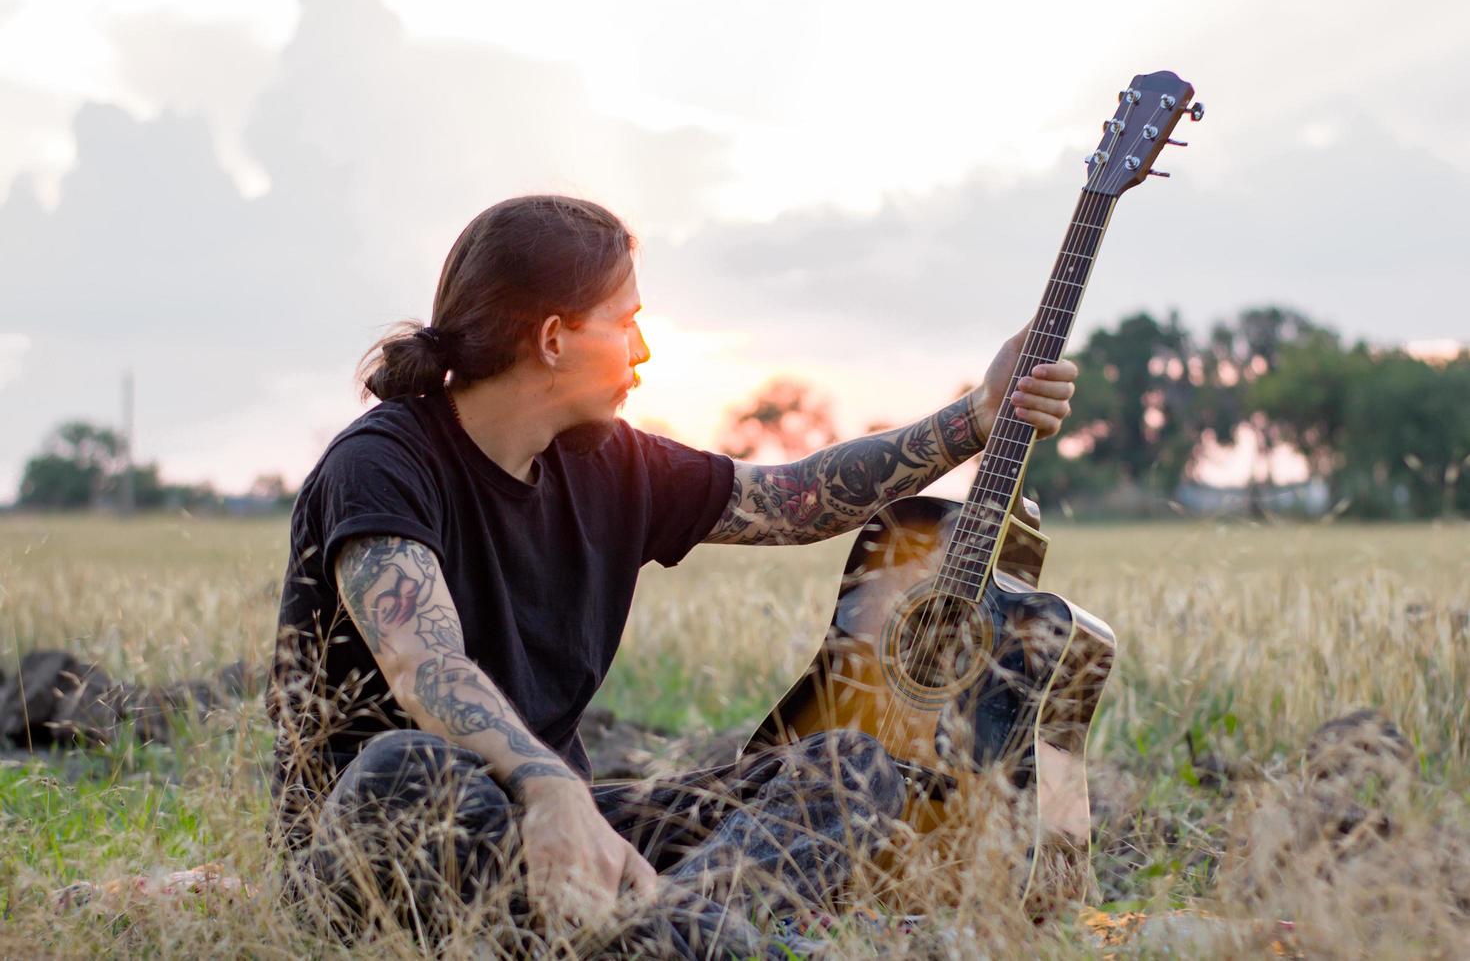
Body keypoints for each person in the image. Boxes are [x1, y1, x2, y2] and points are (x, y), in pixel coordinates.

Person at [267, 195, 1078, 957]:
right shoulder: (382, 464)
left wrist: (978, 415)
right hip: (388, 843)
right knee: (406, 767)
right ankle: (692, 938)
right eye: (628, 324)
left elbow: (796, 500)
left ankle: (657, 935)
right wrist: (553, 791)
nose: (644, 351)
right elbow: (426, 666)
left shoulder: (611, 463)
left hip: (568, 841)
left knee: (851, 767)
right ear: (553, 339)